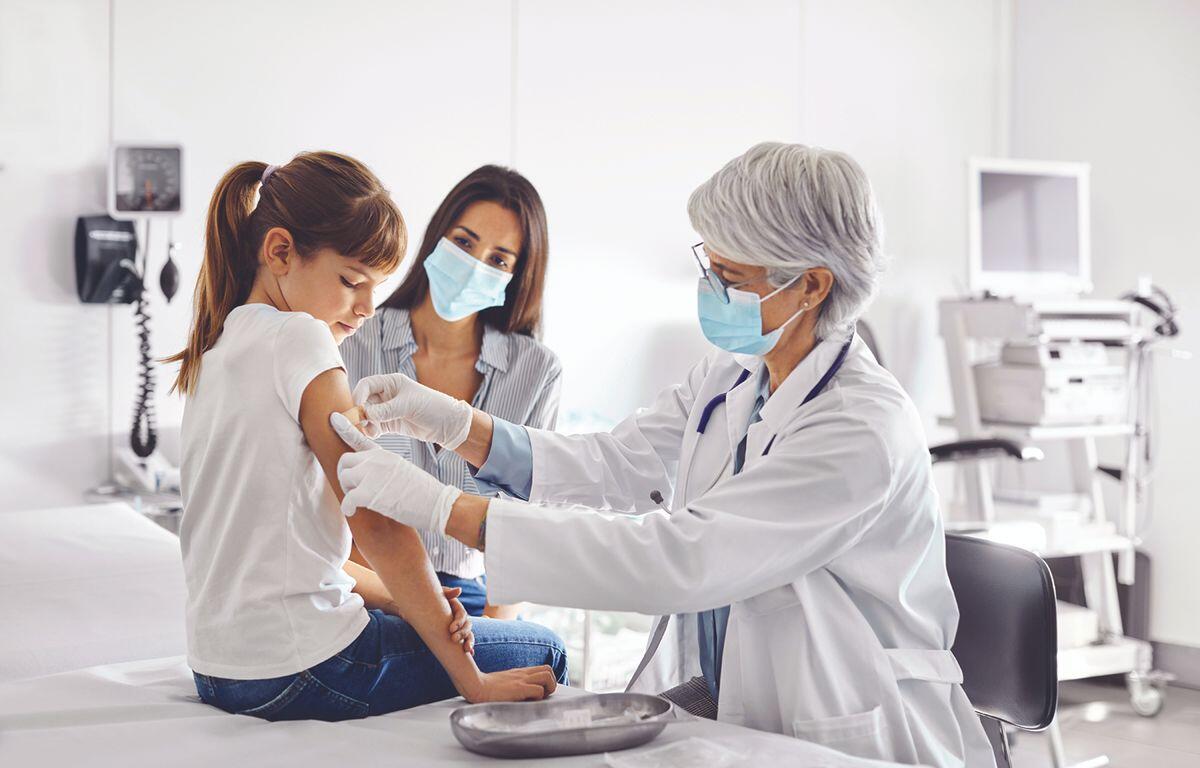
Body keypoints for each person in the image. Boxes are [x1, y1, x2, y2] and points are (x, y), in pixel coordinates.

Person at [330, 143, 995, 766]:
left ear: (812, 286)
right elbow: (616, 462)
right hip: (737, 693)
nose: (710, 287)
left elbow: (678, 559)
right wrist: (456, 425)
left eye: (730, 276)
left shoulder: (859, 428)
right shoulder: (735, 373)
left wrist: (440, 507)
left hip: (846, 721)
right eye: (711, 265)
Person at [169, 151, 565, 722]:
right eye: (353, 282)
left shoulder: (216, 348)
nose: (364, 309)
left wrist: (403, 601)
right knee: (546, 648)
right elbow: (375, 517)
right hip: (306, 664)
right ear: (279, 252)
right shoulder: (302, 337)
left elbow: (285, 552)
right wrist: (472, 680)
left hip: (220, 671)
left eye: (375, 287)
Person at [340, 165, 558, 619]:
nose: (474, 266)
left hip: (470, 598)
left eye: (499, 260)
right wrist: (410, 607)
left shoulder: (536, 372)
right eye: (464, 242)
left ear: (517, 275)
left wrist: (492, 638)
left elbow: (527, 529)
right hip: (364, 587)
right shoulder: (353, 338)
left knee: (544, 650)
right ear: (438, 238)